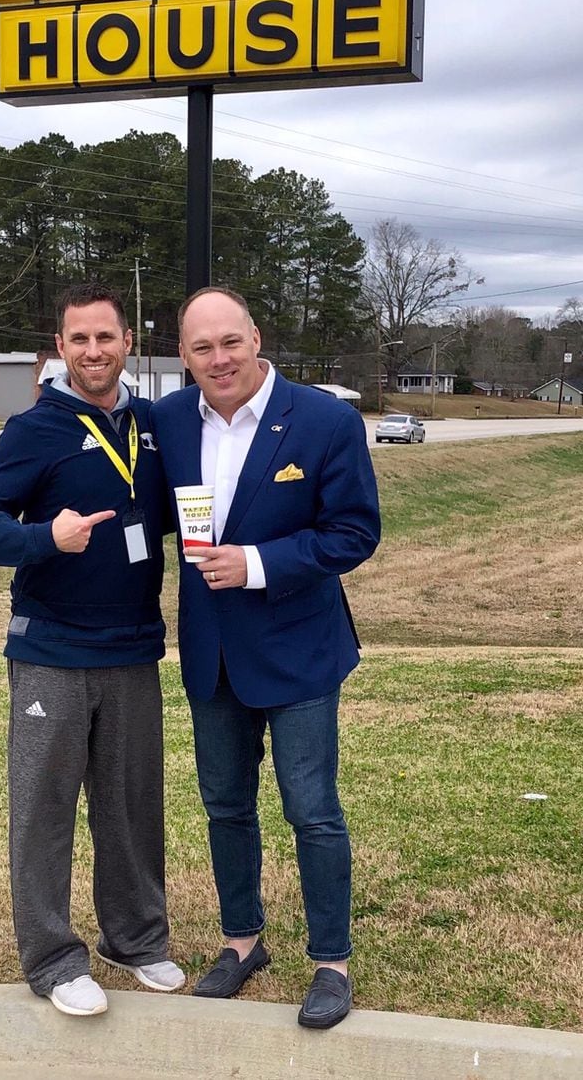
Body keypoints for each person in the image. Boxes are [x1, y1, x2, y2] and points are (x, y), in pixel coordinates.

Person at [151, 287, 380, 1030]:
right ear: (183, 356)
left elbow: (353, 534)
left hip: (300, 650)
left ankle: (331, 962)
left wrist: (254, 562)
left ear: (256, 338)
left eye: (230, 342)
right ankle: (242, 942)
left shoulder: (324, 421)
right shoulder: (168, 422)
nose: (219, 359)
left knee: (311, 811)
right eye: (201, 348)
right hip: (212, 653)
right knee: (225, 806)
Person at [0, 283, 184, 1017]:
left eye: (106, 338)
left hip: (132, 650)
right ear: (60, 347)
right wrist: (42, 539)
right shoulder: (35, 428)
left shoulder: (151, 427)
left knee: (130, 808)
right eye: (79, 339)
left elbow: (173, 511)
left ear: (128, 344)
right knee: (45, 809)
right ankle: (53, 959)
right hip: (51, 648)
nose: (94, 351)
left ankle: (136, 938)